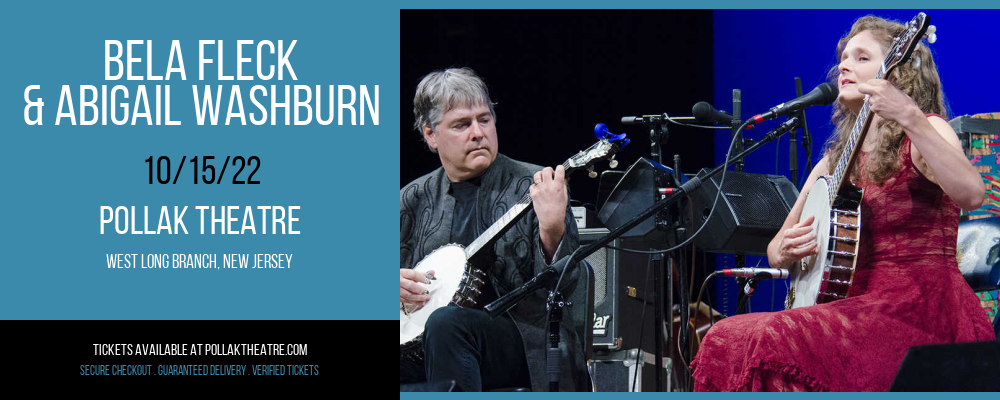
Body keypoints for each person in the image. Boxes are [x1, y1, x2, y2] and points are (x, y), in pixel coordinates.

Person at [691, 16, 995, 391]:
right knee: (724, 335)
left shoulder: (926, 129)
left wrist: (910, 115)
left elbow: (971, 193)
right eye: (843, 57)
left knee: (772, 338)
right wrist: (783, 249)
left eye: (862, 57)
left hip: (921, 309)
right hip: (855, 309)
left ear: (898, 72)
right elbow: (774, 250)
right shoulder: (833, 161)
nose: (844, 65)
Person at [399, 67, 586, 391]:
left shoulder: (535, 186)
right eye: (461, 124)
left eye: (484, 119)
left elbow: (567, 286)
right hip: (421, 345)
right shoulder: (412, 200)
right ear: (431, 134)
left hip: (523, 342)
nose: (477, 132)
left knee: (446, 324)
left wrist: (553, 226)